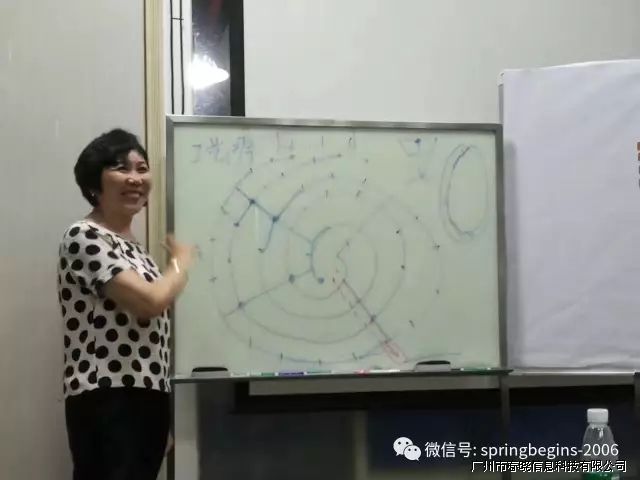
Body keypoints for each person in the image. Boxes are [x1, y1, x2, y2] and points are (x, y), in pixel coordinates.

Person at [56, 128, 195, 480]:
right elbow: (150, 302)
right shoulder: (84, 235)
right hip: (108, 395)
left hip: (144, 396)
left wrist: (157, 417)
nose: (135, 178)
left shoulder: (135, 249)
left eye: (142, 168)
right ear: (94, 183)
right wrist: (180, 264)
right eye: (121, 168)